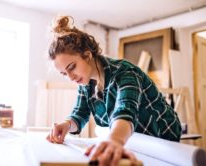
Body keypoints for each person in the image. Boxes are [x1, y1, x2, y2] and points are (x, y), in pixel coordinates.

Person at [46, 15, 182, 165]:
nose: (70, 77)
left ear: (87, 54)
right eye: (64, 74)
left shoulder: (125, 72)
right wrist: (67, 125)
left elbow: (125, 110)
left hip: (163, 137)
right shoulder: (84, 82)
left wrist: (115, 140)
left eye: (71, 67)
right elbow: (79, 114)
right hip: (133, 139)